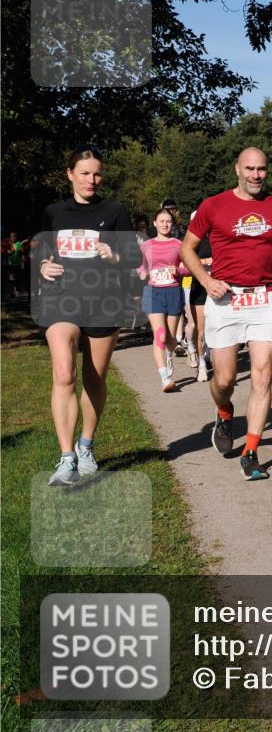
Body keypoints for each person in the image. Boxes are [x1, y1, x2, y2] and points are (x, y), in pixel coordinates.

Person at [181, 147, 272, 481]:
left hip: (265, 298)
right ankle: (223, 411)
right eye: (249, 168)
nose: (255, 175)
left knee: (263, 374)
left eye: (261, 169)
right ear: (237, 169)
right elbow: (186, 248)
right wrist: (205, 280)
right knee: (225, 380)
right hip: (226, 299)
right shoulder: (213, 205)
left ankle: (250, 452)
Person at [36, 144, 134, 486]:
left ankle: (86, 445)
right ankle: (66, 459)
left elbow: (134, 260)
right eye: (84, 173)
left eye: (96, 173)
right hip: (60, 301)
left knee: (94, 379)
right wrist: (43, 266)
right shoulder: (52, 213)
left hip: (103, 302)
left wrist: (114, 257)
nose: (91, 180)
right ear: (69, 175)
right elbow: (41, 256)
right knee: (64, 374)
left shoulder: (116, 211)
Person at [138, 208, 190, 391]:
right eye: (162, 221)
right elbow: (141, 266)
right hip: (153, 292)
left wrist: (179, 271)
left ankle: (168, 355)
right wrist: (142, 272)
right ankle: (164, 378)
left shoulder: (178, 244)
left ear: (172, 224)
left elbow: (189, 268)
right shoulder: (146, 245)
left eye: (168, 221)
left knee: (170, 338)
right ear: (155, 223)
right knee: (159, 335)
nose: (165, 224)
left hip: (173, 291)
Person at [188, 212, 212, 383]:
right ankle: (202, 364)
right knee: (201, 332)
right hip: (199, 289)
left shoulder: (217, 239)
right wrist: (206, 262)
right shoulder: (191, 243)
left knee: (217, 329)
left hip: (219, 288)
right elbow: (185, 263)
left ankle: (212, 358)